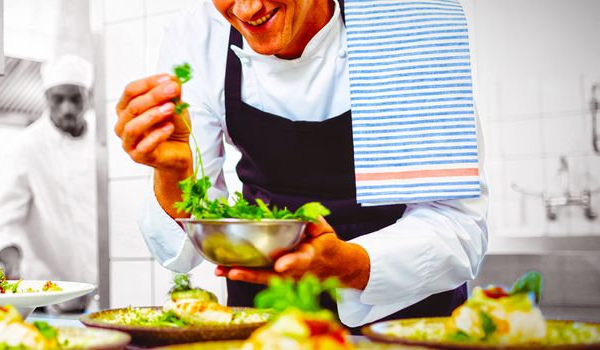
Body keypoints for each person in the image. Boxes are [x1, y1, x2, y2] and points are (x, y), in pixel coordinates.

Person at [114, 0, 487, 327]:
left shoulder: (410, 23)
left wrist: (347, 264)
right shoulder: (195, 36)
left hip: (408, 319)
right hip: (267, 320)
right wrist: (172, 173)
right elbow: (187, 246)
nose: (246, 9)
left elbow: (458, 228)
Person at [0, 55, 98, 291]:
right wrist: (12, 265)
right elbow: (4, 220)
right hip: (47, 289)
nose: (67, 108)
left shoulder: (104, 143)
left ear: (88, 98)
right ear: (46, 98)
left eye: (75, 99)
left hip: (101, 284)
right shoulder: (25, 147)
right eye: (58, 99)